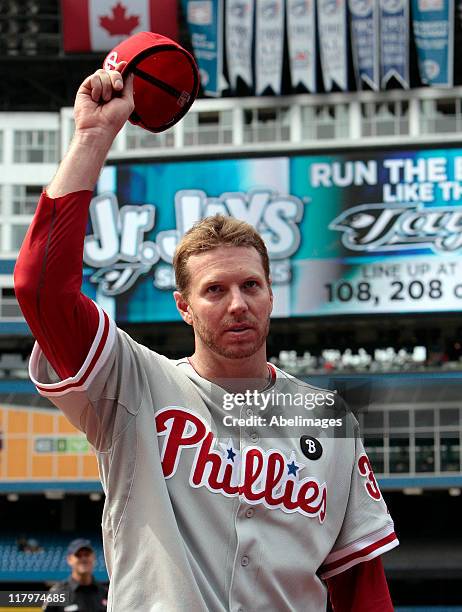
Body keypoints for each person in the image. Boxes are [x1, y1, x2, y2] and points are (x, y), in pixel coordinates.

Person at [15, 64, 399, 611]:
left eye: (251, 285)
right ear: (184, 307)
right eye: (214, 290)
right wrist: (92, 137)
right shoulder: (132, 381)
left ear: (272, 296)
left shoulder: (327, 419)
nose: (237, 303)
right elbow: (40, 288)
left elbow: (362, 584)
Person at [43, 538, 107, 611]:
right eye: (78, 555)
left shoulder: (104, 592)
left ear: (93, 557)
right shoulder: (57, 594)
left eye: (87, 554)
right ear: (69, 559)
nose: (83, 558)